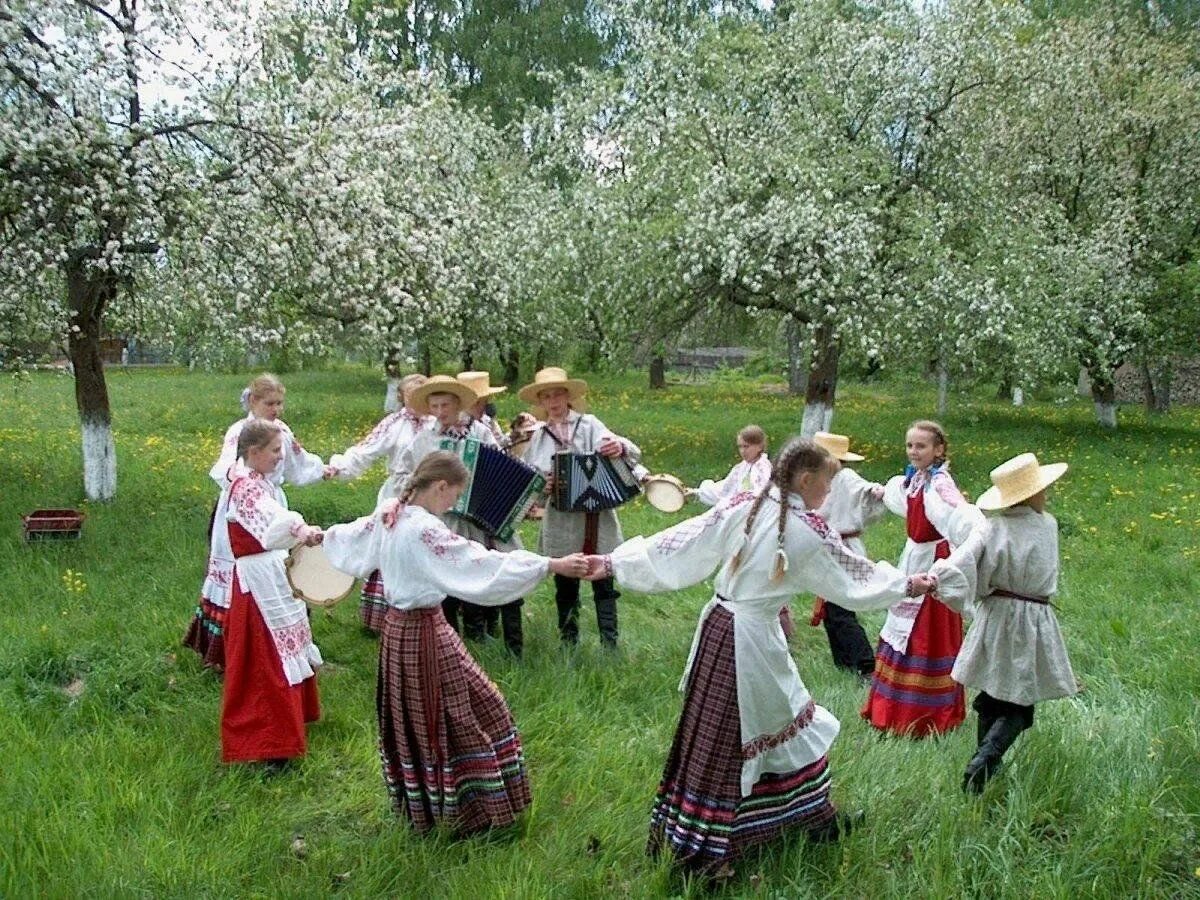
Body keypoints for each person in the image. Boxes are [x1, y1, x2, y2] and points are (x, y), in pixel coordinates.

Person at [582, 438, 936, 875]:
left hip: (729, 630)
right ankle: (704, 858)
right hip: (744, 640)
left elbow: (682, 541)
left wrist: (616, 562)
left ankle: (813, 817)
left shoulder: (748, 505)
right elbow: (851, 575)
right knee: (734, 738)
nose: (828, 493)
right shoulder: (803, 530)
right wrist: (906, 585)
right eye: (826, 484)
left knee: (785, 718)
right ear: (805, 480)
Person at [322, 452, 590, 834]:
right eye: (454, 496)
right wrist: (550, 565)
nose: (453, 504)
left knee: (427, 718)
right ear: (441, 486)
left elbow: (347, 538)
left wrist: (317, 536)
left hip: (402, 631)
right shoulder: (419, 527)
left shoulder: (391, 515)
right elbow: (478, 562)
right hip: (421, 631)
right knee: (460, 714)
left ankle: (432, 808)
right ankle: (463, 811)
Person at [929, 453, 1078, 793]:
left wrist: (947, 584)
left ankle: (982, 766)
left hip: (996, 616)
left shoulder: (991, 528)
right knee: (1020, 700)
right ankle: (984, 762)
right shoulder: (1048, 525)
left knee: (993, 691)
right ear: (1032, 494)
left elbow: (964, 563)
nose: (1046, 496)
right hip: (1032, 620)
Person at [184, 373, 325, 671]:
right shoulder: (241, 431)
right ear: (253, 401)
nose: (276, 409)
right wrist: (247, 487)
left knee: (278, 570)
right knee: (241, 574)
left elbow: (298, 464)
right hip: (242, 509)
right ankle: (227, 651)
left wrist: (326, 469)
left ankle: (278, 643)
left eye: (280, 403)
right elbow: (227, 469)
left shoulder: (281, 430)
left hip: (273, 507)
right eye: (270, 403)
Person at [518, 366, 648, 648]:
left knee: (603, 578)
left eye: (557, 395)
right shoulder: (537, 438)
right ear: (540, 402)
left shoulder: (588, 424)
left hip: (596, 516)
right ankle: (569, 642)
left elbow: (628, 450)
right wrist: (544, 486)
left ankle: (609, 642)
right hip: (561, 519)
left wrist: (619, 448)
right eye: (546, 397)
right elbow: (530, 486)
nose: (552, 402)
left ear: (568, 396)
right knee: (566, 582)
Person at [219, 420, 323, 767]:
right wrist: (300, 529)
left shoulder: (258, 481)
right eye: (276, 451)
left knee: (286, 642)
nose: (281, 457)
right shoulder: (245, 487)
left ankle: (286, 728)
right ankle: (269, 743)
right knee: (266, 658)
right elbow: (270, 521)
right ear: (254, 453)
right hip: (257, 581)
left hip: (272, 572)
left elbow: (275, 514)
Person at [393, 375, 517, 647]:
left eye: (445, 405)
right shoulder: (425, 439)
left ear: (458, 403)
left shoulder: (480, 432)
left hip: (477, 518)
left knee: (474, 567)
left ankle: (477, 633)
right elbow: (402, 473)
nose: (440, 412)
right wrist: (418, 491)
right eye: (434, 406)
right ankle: (449, 634)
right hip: (441, 518)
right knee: (444, 572)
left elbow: (499, 465)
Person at [861, 420, 967, 737]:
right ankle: (893, 710)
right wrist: (880, 491)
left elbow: (956, 515)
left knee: (924, 635)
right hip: (914, 560)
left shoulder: (939, 484)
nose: (913, 451)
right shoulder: (917, 480)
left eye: (920, 446)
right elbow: (901, 499)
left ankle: (924, 714)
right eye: (909, 445)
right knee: (900, 630)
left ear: (939, 449)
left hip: (934, 564)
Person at [325, 372, 431, 632]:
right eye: (409, 396)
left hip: (431, 493)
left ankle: (430, 613)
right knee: (392, 545)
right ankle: (385, 617)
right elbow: (366, 449)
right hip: (399, 492)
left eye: (420, 395)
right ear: (402, 398)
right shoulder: (394, 424)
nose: (414, 402)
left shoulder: (437, 422)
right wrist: (339, 467)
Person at [456, 370, 526, 654]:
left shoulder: (483, 428)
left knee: (508, 560)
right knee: (468, 564)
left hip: (489, 510)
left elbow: (500, 459)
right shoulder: (443, 430)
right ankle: (474, 629)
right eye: (478, 400)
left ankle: (503, 634)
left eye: (485, 400)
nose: (484, 405)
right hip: (457, 513)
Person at [808, 431, 887, 676]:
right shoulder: (824, 477)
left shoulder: (845, 477)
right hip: (829, 545)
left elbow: (863, 490)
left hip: (842, 547)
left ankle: (863, 663)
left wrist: (873, 491)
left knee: (840, 607)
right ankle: (844, 662)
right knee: (832, 609)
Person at [690, 425, 772, 506]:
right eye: (740, 447)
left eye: (746, 446)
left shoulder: (763, 468)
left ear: (759, 447)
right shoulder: (741, 468)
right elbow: (724, 488)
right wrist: (695, 492)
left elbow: (763, 494)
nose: (743, 451)